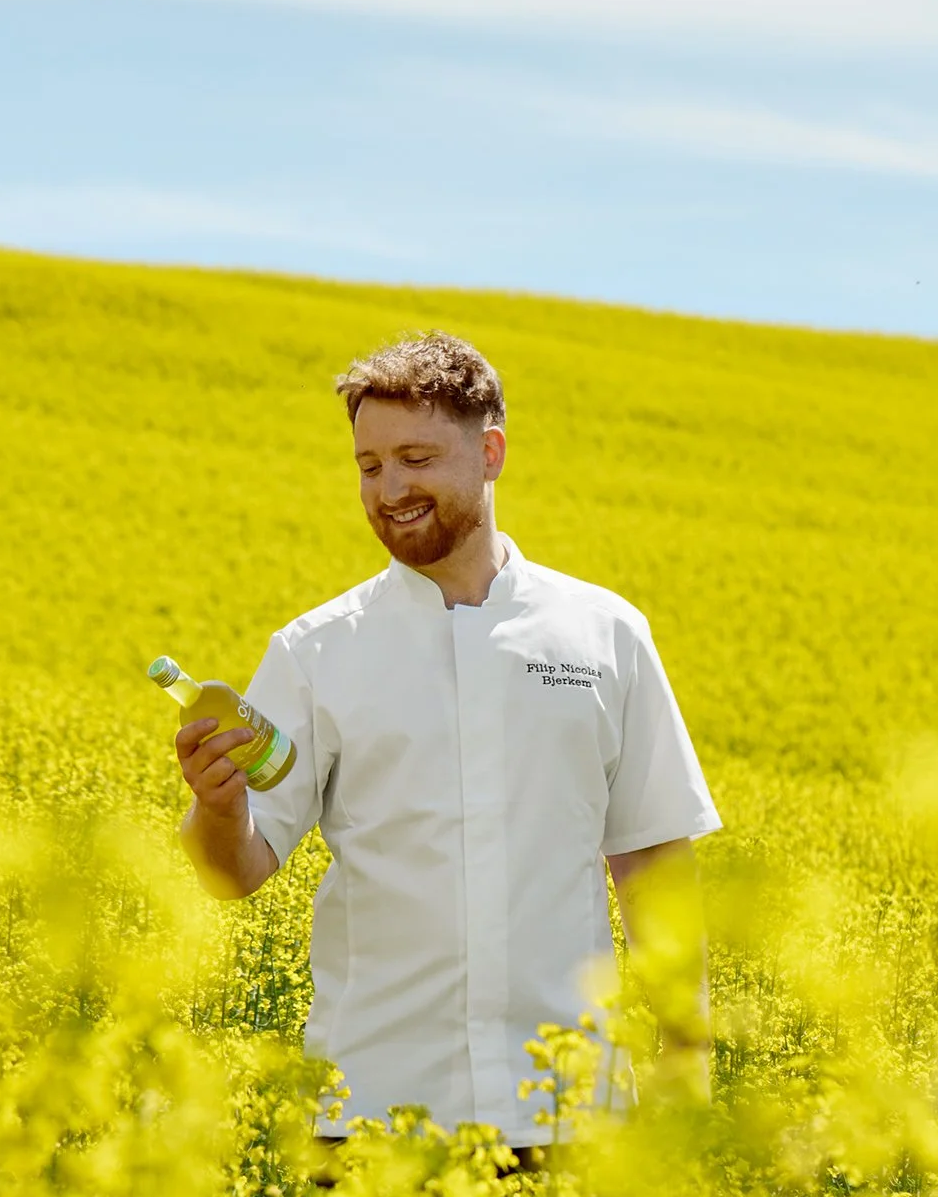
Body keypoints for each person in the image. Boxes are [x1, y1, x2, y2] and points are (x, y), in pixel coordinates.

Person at [169, 331, 720, 1154]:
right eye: (368, 466)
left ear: (489, 452)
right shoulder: (314, 650)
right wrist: (218, 806)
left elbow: (654, 872)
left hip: (569, 1118)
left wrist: (687, 1074)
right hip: (372, 1118)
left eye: (415, 458)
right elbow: (233, 873)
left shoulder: (604, 634)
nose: (389, 488)